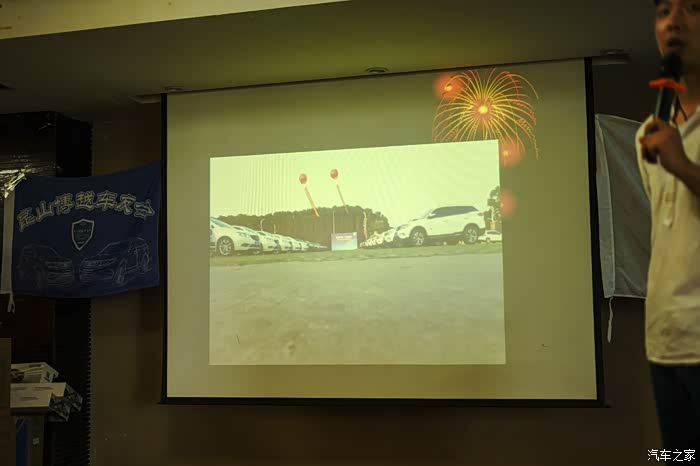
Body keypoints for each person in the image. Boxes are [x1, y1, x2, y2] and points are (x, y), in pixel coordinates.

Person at [636, 0, 700, 460]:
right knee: (677, 457)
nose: (673, 22)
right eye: (663, 11)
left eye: (692, 8)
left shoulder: (669, 147)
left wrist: (682, 165)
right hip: (664, 338)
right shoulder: (650, 130)